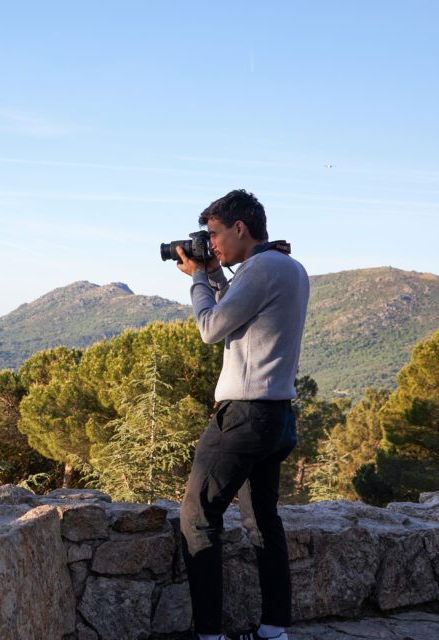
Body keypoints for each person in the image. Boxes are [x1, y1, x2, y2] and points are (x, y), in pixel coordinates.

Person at [171, 189, 309, 640]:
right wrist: (214, 275)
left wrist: (196, 279)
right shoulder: (288, 267)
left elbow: (212, 328)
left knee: (197, 516)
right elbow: (240, 316)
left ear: (239, 228)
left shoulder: (262, 267)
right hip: (278, 416)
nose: (209, 245)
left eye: (213, 234)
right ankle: (273, 631)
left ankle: (209, 634)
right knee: (262, 519)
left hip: (244, 415)